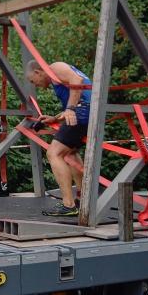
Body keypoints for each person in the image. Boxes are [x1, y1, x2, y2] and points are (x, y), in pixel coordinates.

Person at [25, 60, 91, 216]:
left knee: (54, 153)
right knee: (70, 153)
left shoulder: (54, 68)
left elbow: (77, 81)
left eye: (33, 81)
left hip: (82, 111)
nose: (35, 85)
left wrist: (70, 109)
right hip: (87, 110)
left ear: (38, 72)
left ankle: (68, 205)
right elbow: (79, 95)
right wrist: (55, 118)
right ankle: (82, 199)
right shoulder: (56, 76)